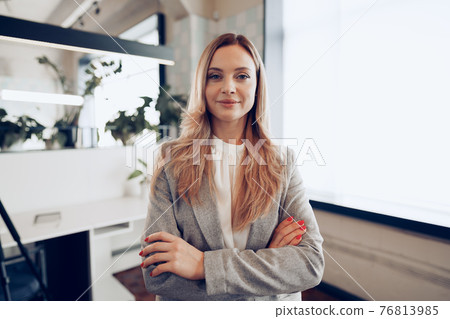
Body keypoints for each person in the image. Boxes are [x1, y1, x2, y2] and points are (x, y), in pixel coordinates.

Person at [139, 33, 324, 301]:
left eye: (242, 76)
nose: (228, 87)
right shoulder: (171, 161)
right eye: (215, 76)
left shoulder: (283, 162)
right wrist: (268, 266)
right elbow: (158, 275)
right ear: (201, 85)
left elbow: (310, 264)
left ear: (257, 85)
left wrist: (203, 265)